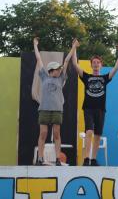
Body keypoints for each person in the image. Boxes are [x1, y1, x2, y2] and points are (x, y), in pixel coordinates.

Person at [72, 40, 118, 166]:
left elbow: (116, 68)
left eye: (98, 63)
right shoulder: (86, 76)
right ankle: (86, 158)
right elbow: (74, 64)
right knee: (89, 132)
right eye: (94, 63)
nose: (96, 64)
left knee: (98, 134)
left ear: (101, 65)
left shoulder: (104, 78)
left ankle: (93, 159)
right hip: (88, 108)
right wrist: (74, 48)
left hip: (100, 109)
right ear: (91, 65)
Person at [34, 37, 76, 166]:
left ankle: (58, 158)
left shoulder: (61, 78)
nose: (59, 70)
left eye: (60, 69)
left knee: (57, 133)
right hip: (44, 109)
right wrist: (35, 45)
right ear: (51, 70)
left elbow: (67, 60)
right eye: (57, 69)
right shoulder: (44, 76)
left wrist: (74, 46)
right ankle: (40, 158)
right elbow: (39, 59)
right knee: (43, 133)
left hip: (57, 109)